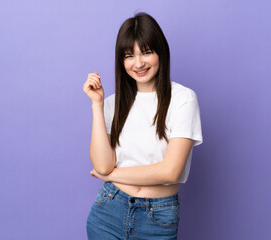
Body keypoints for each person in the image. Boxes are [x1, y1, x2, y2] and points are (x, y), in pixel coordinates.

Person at [83, 12, 203, 240]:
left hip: (157, 218)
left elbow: (171, 171)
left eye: (146, 52)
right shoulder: (111, 103)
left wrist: (111, 176)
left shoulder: (183, 99)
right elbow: (101, 164)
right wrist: (97, 105)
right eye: (129, 56)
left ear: (161, 52)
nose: (138, 63)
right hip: (108, 213)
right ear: (121, 61)